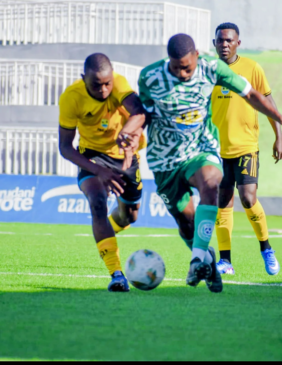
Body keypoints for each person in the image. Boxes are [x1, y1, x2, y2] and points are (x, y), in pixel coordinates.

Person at [136, 33, 282, 293]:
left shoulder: (213, 69)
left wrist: (280, 121)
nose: (182, 74)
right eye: (176, 68)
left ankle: (199, 260)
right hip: (165, 160)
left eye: (187, 68)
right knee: (187, 224)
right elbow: (142, 114)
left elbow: (251, 94)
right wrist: (130, 134)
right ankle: (209, 262)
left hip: (201, 149)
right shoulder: (150, 77)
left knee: (213, 184)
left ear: (197, 55)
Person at [58, 53, 147, 292]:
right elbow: (65, 147)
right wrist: (99, 170)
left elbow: (140, 113)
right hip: (92, 156)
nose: (104, 90)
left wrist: (128, 134)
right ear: (83, 78)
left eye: (107, 83)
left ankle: (105, 232)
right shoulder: (71, 97)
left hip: (125, 155)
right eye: (96, 85)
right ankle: (116, 274)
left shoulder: (119, 84)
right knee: (97, 202)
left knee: (129, 217)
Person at [211, 22, 282, 276]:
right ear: (214, 43)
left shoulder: (252, 68)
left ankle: (266, 249)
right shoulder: (208, 71)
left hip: (246, 146)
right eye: (220, 40)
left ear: (238, 43)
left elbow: (268, 102)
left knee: (248, 197)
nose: (225, 44)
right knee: (223, 201)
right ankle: (225, 261)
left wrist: (279, 136)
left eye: (229, 40)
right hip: (216, 150)